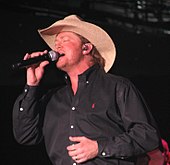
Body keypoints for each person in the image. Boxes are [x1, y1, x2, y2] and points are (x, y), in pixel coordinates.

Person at [13, 14, 162, 165]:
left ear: (86, 48)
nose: (57, 46)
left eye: (64, 40)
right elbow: (26, 135)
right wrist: (32, 85)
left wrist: (99, 147)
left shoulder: (117, 86)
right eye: (56, 43)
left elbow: (147, 135)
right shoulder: (53, 98)